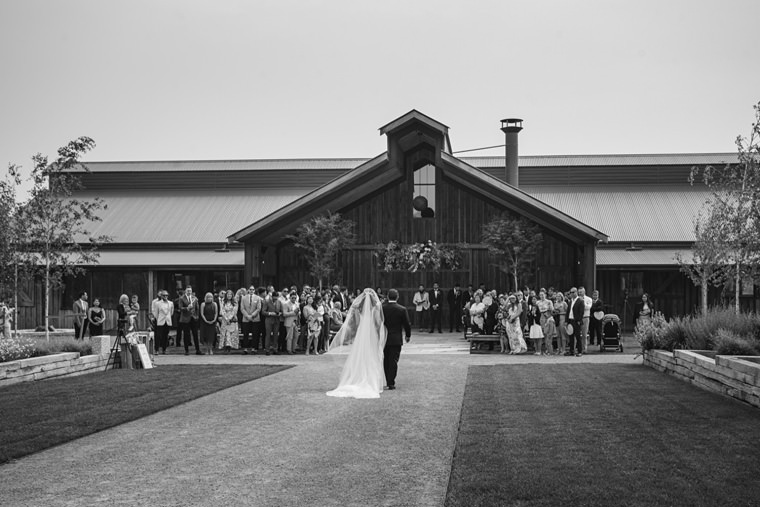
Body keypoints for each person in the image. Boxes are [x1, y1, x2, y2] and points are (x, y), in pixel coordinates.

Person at [326, 288, 389, 398]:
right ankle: (370, 380)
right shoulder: (376, 307)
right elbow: (379, 322)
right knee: (372, 355)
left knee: (360, 355)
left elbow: (355, 323)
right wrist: (379, 335)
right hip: (371, 332)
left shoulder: (357, 308)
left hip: (361, 332)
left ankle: (358, 377)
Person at [381, 288, 412, 390]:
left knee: (386, 360)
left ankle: (388, 380)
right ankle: (391, 382)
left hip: (384, 338)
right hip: (396, 338)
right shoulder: (402, 309)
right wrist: (408, 335)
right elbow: (407, 324)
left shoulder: (382, 308)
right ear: (397, 297)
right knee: (394, 360)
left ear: (387, 297)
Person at [239, 286, 261, 354]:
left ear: (254, 290)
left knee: (255, 334)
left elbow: (258, 308)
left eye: (253, 289)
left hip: (255, 318)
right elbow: (242, 308)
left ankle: (254, 348)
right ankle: (245, 348)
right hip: (246, 318)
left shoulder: (258, 298)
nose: (251, 291)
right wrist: (247, 316)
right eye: (250, 289)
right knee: (245, 334)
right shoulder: (243, 298)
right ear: (248, 290)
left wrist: (252, 315)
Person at [537, 289, 555, 356]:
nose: (541, 296)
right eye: (540, 295)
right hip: (541, 317)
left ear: (545, 295)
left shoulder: (549, 301)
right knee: (544, 334)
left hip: (548, 317)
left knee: (549, 334)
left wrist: (549, 315)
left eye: (542, 295)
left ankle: (550, 350)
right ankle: (546, 349)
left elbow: (552, 310)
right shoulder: (538, 302)